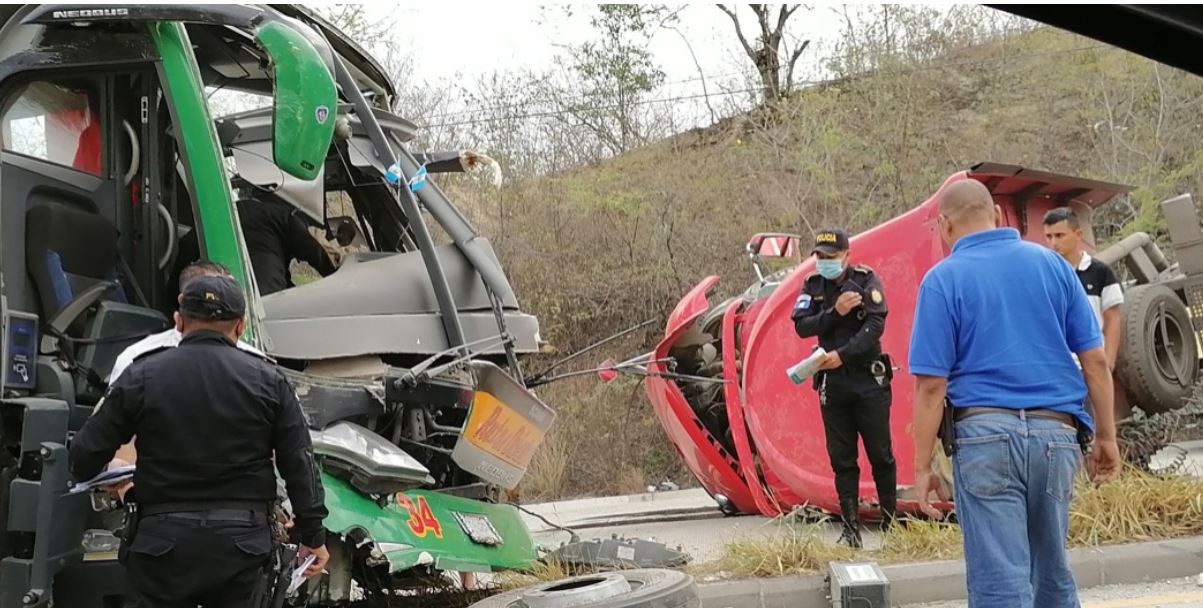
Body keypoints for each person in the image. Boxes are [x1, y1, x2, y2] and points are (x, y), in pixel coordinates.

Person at [910, 179, 1120, 608]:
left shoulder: (942, 280)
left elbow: (931, 385)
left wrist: (922, 464)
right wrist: (1106, 436)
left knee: (1000, 582)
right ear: (997, 215)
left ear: (945, 226)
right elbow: (1096, 361)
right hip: (1056, 435)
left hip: (984, 438)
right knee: (1052, 573)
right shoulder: (1053, 266)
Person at [69, 275, 329, 607]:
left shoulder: (142, 375)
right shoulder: (270, 380)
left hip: (161, 546)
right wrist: (312, 535)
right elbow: (300, 463)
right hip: (242, 547)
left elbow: (83, 457)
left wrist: (115, 476)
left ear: (179, 321)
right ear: (240, 326)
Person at [792, 227, 896, 548]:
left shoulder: (865, 280)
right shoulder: (813, 285)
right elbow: (802, 326)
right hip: (833, 383)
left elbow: (876, 324)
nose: (824, 262)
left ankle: (890, 524)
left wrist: (843, 354)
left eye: (831, 256)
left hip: (867, 378)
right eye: (819, 256)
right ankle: (851, 529)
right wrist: (834, 313)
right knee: (842, 459)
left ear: (846, 255)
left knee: (881, 454)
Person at [1043, 207, 1124, 371]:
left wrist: (1108, 363)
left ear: (1078, 234)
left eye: (1059, 235)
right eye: (1049, 236)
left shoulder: (1101, 272)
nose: (1053, 243)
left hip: (1094, 364)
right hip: (1060, 368)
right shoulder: (1044, 275)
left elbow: (1112, 319)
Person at [237, 190, 337, 296]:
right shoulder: (278, 213)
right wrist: (334, 272)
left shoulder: (233, 213)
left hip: (236, 285)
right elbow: (310, 248)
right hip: (269, 284)